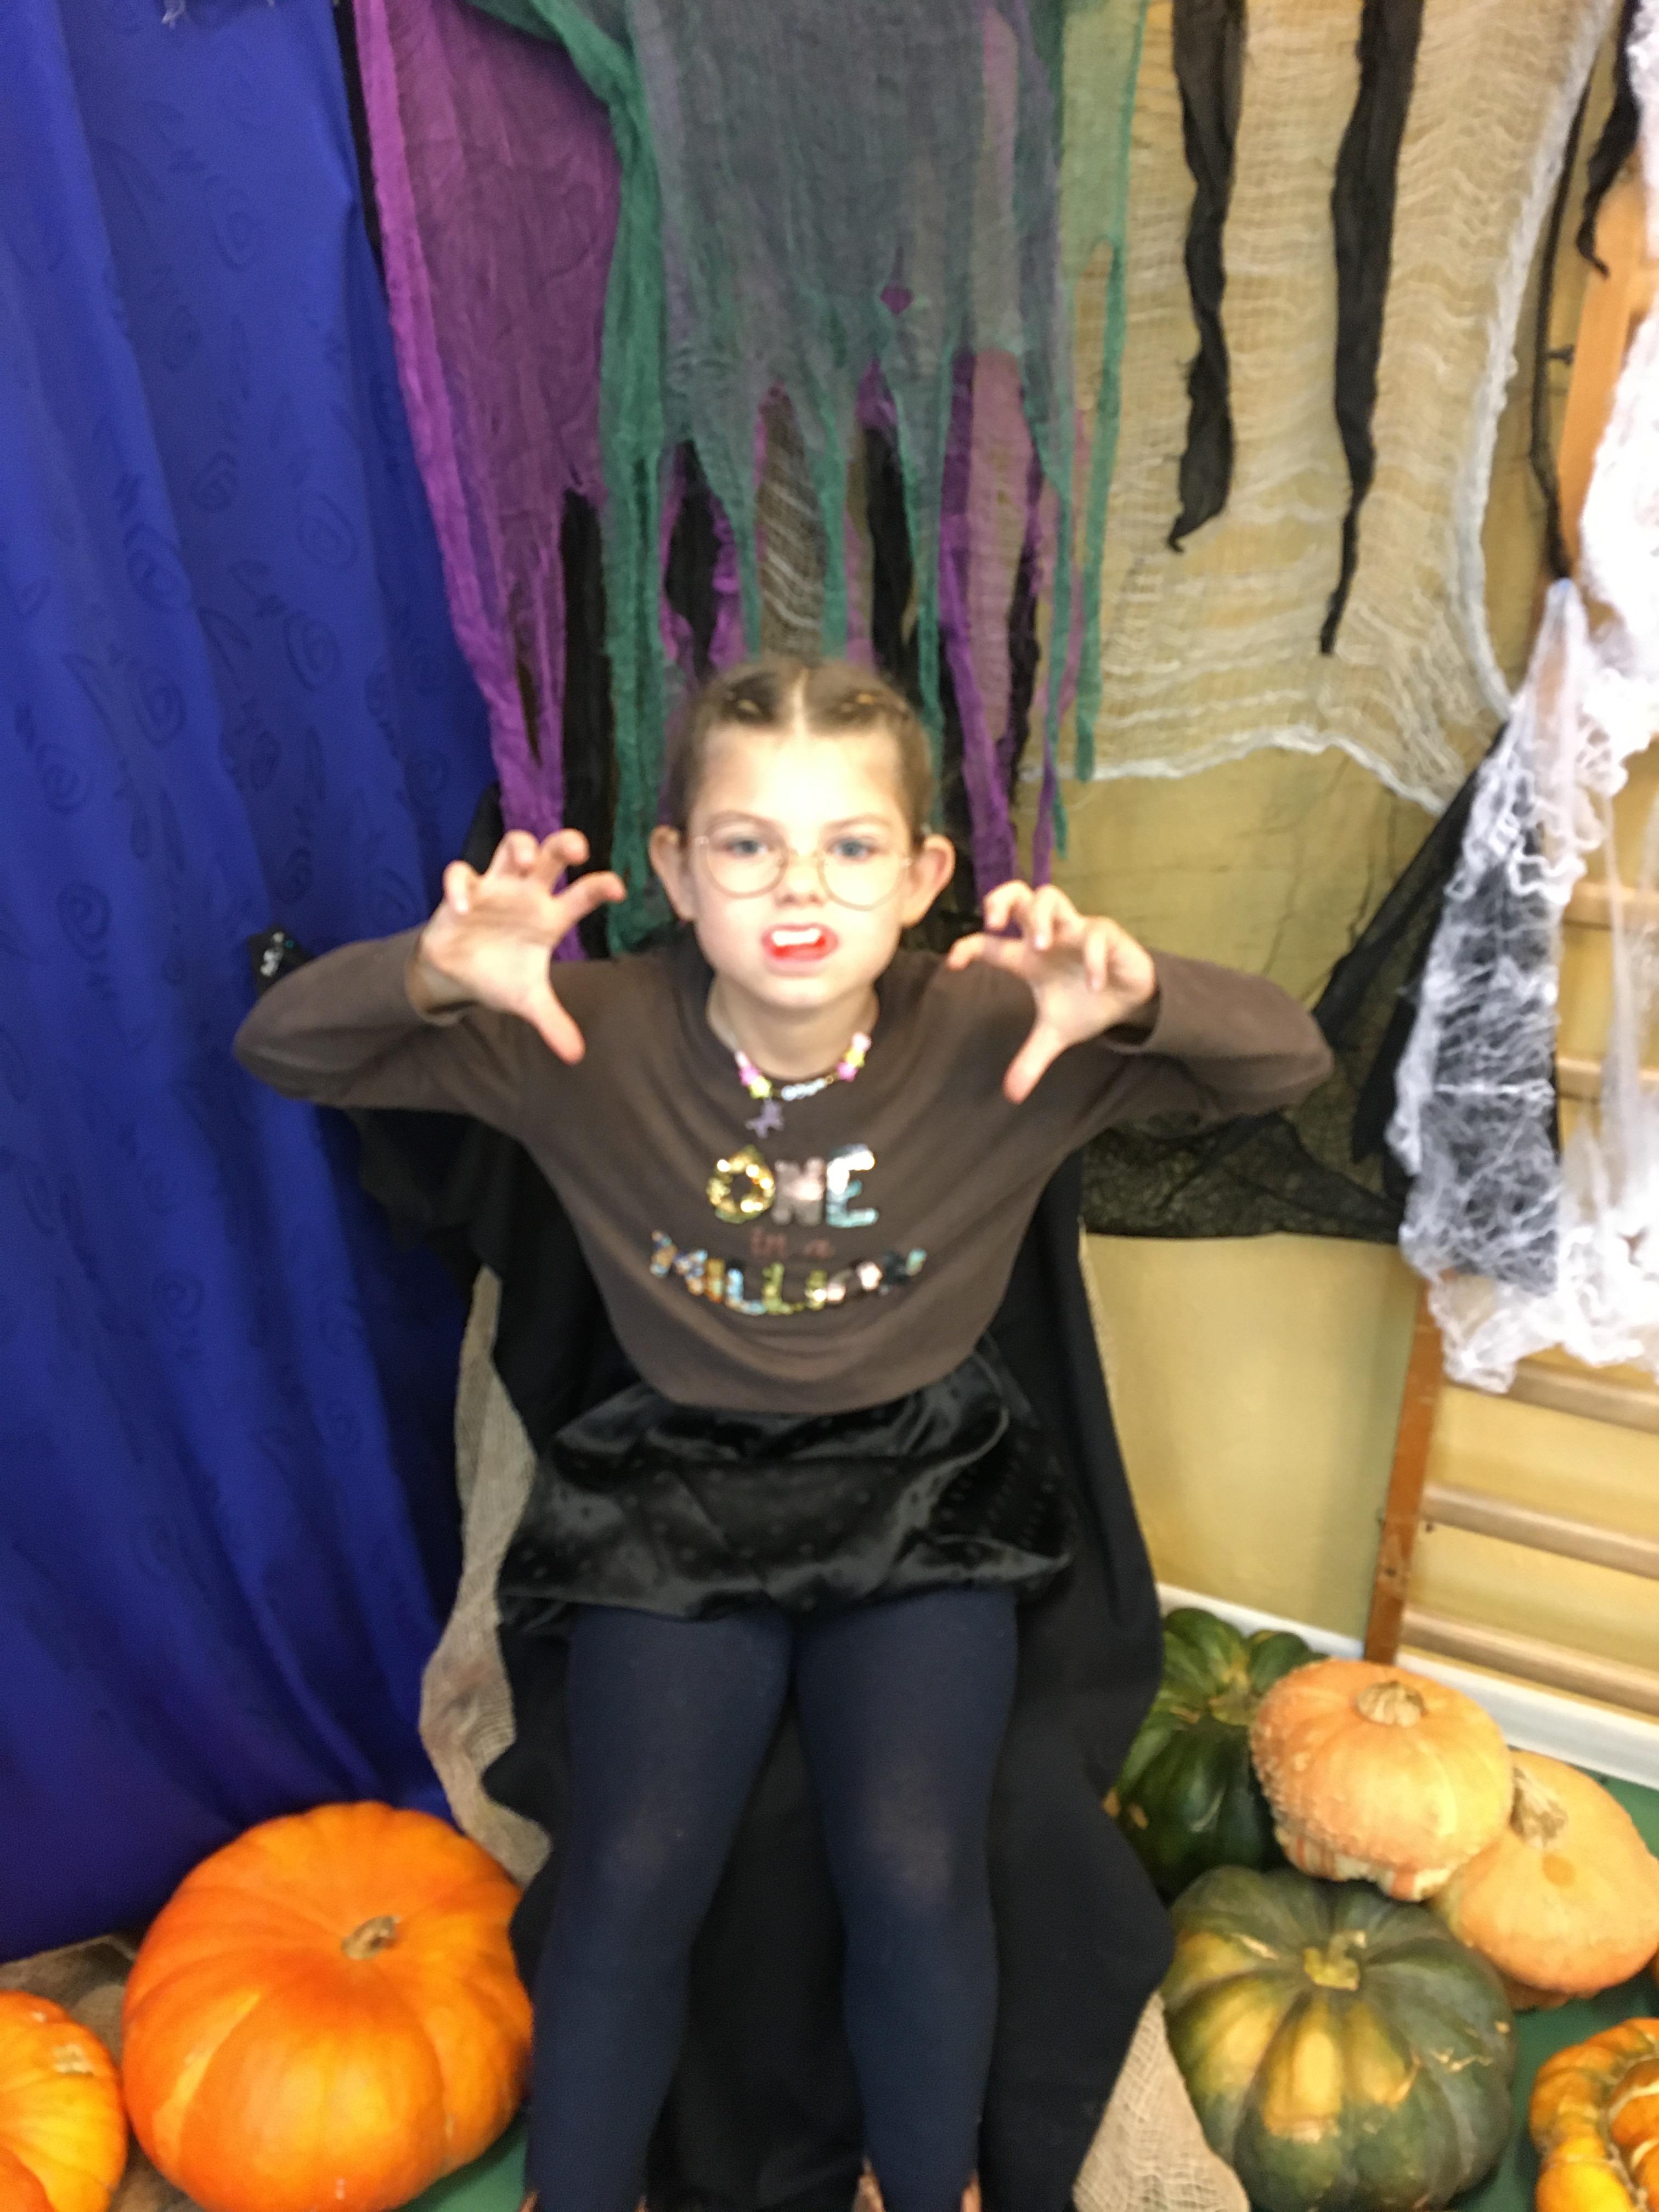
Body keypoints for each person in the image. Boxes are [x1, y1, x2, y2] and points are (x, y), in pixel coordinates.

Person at [235, 656, 1331, 2212]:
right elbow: (287, 1048)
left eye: (851, 846)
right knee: (630, 1877)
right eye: (748, 844)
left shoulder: (1004, 1023)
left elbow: (1285, 1061)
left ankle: (924, 2185)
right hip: (677, 1494)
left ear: (925, 878)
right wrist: (431, 969)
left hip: (923, 1493)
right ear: (677, 871)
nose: (800, 887)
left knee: (916, 1869)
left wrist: (1139, 992)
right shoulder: (584, 1026)